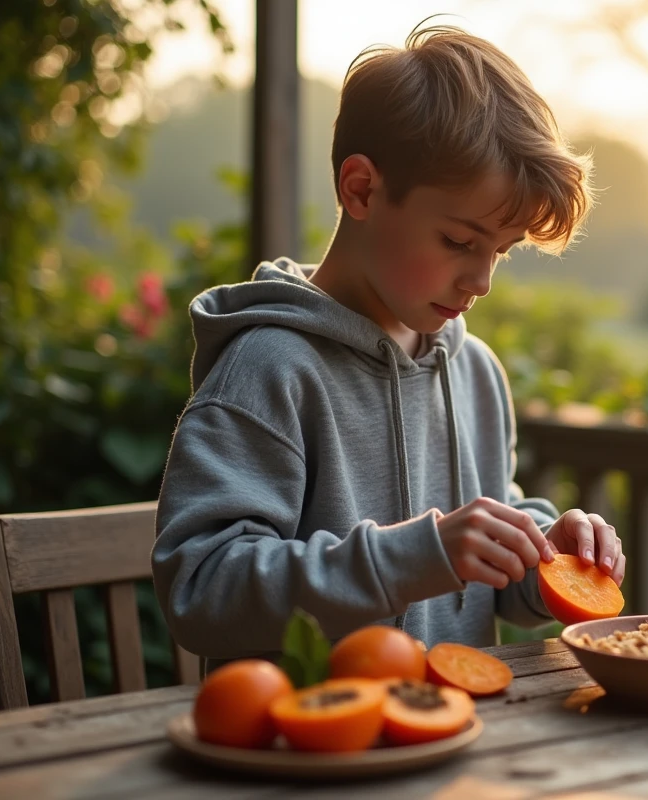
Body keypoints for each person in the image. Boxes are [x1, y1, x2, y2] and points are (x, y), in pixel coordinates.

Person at [151, 23, 623, 672]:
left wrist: (543, 550)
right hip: (308, 748)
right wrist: (413, 558)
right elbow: (201, 590)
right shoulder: (268, 372)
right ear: (362, 190)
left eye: (500, 252)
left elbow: (485, 575)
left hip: (455, 743)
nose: (481, 280)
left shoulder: (474, 372)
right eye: (460, 241)